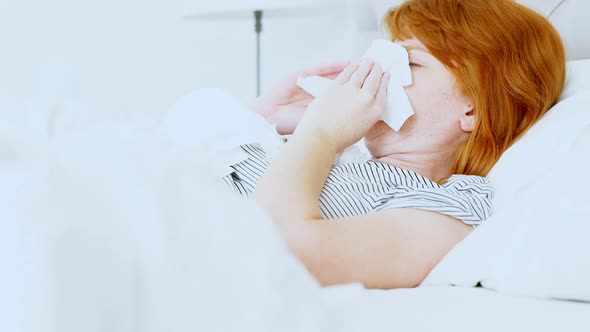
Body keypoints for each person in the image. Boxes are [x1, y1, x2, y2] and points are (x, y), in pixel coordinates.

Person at [223, 0, 565, 289]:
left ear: (472, 106)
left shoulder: (448, 209)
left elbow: (280, 256)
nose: (378, 71)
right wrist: (261, 119)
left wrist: (320, 133)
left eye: (409, 62)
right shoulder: (334, 153)